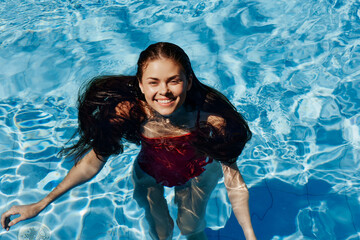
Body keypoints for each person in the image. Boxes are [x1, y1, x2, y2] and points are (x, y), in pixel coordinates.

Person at [1, 42, 256, 240]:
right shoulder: (131, 112)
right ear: (141, 85)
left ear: (188, 81)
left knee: (191, 228)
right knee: (161, 232)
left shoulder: (209, 119)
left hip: (198, 173)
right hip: (149, 173)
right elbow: (92, 162)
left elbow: (234, 182)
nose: (164, 91)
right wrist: (41, 203)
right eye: (153, 82)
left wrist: (250, 236)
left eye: (174, 81)